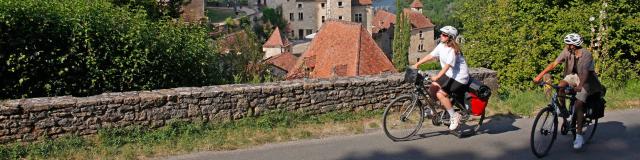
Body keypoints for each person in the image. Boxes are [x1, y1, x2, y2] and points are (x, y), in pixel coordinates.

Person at [533, 33, 604, 149]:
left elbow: (586, 72)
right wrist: (539, 76)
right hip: (573, 76)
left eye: (568, 43)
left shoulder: (586, 54)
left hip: (587, 80)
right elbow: (554, 64)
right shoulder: (567, 51)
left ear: (573, 45)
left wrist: (580, 86)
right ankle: (564, 111)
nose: (566, 45)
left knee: (579, 104)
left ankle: (579, 135)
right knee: (560, 86)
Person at [411, 26, 470, 131]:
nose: (441, 35)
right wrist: (417, 64)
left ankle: (454, 116)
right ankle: (434, 110)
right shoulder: (441, 45)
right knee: (432, 88)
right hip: (450, 74)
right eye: (441, 33)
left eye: (444, 35)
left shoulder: (453, 50)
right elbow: (431, 55)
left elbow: (448, 66)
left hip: (460, 77)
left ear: (450, 37)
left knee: (440, 93)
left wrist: (437, 76)